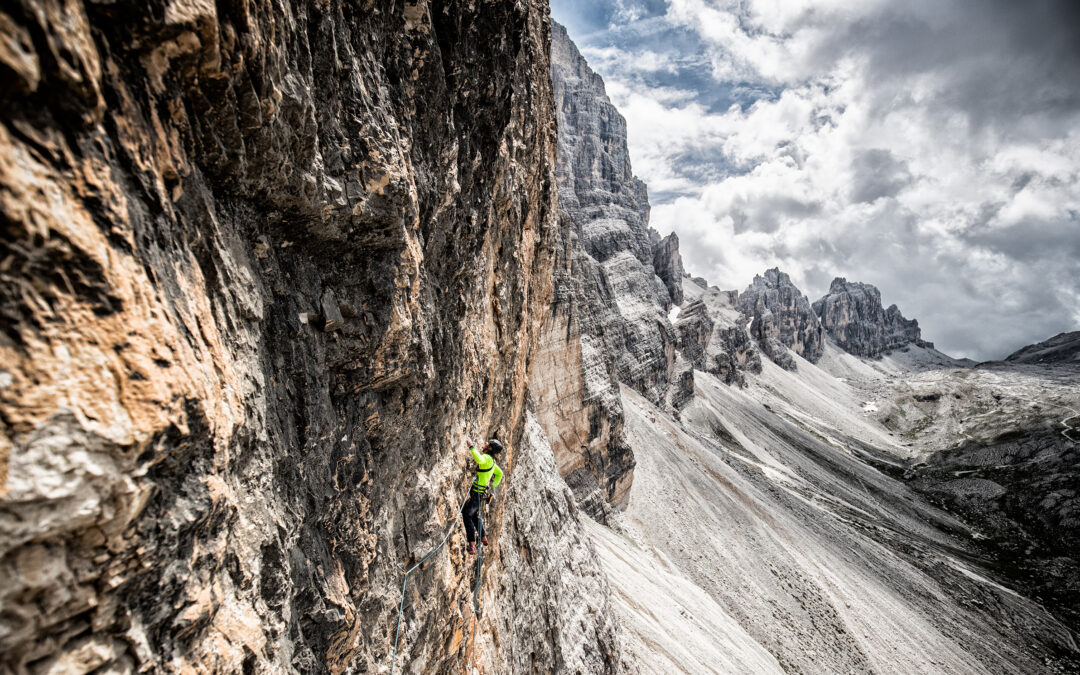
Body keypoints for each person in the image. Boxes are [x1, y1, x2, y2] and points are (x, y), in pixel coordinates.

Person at [463, 438, 503, 555]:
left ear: (489, 448)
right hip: (481, 495)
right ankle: (483, 537)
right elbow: (500, 474)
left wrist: (471, 447)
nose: (485, 444)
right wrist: (494, 485)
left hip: (477, 493)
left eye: (487, 443)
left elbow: (479, 460)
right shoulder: (493, 462)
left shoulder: (486, 458)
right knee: (474, 515)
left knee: (467, 515)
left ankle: (471, 544)